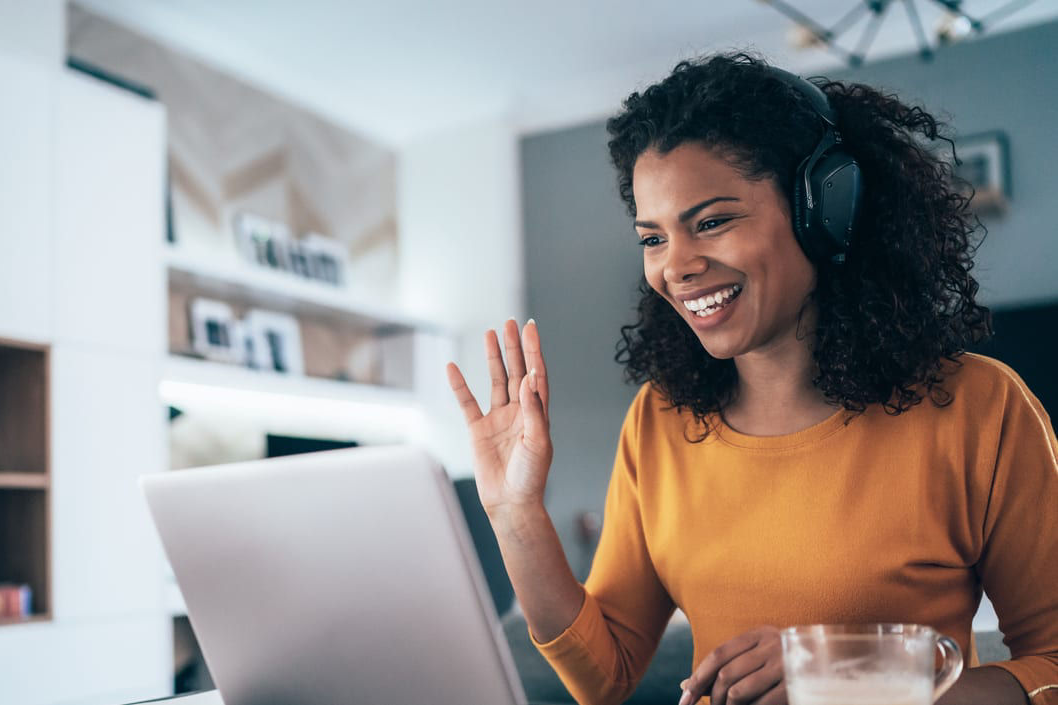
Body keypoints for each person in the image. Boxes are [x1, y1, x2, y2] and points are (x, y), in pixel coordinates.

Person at [445, 53, 1057, 705]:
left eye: (711, 222)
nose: (676, 267)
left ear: (824, 209)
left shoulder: (980, 408)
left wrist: (851, 680)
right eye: (653, 238)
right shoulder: (660, 420)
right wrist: (515, 516)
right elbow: (604, 673)